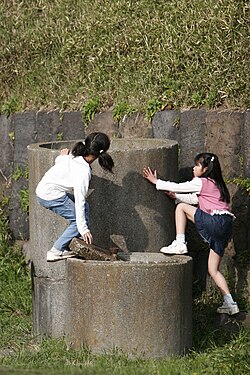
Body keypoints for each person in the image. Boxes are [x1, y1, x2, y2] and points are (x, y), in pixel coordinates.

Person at [143, 152, 239, 315]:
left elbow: (180, 187)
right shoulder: (216, 185)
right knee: (213, 269)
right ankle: (230, 303)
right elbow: (195, 200)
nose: (194, 168)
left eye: (197, 165)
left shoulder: (202, 182)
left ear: (206, 168)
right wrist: (176, 197)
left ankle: (180, 242)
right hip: (226, 227)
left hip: (216, 222)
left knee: (180, 208)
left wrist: (156, 182)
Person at [36, 132, 114, 262]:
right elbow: (79, 201)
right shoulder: (83, 172)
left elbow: (59, 161)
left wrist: (62, 156)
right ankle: (56, 251)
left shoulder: (74, 155)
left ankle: (70, 244)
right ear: (101, 153)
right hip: (50, 195)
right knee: (77, 222)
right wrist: (83, 229)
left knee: (85, 210)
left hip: (45, 190)